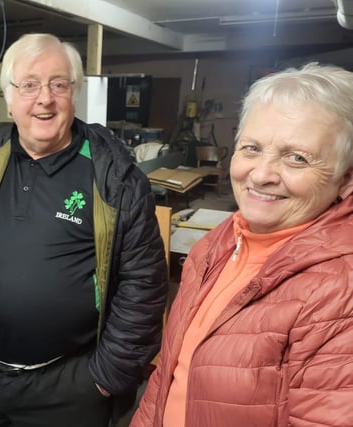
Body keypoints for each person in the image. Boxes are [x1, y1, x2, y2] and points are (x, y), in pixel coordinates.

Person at [0, 33, 168, 426]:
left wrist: (105, 378)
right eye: (29, 85)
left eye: (59, 84)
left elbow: (144, 283)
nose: (45, 98)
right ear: (8, 97)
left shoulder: (113, 175)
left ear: (74, 93)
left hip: (70, 390)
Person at [132, 62, 353, 427]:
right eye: (251, 148)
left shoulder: (339, 291)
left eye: (296, 157)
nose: (262, 174)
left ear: (345, 179)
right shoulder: (217, 245)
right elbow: (169, 376)